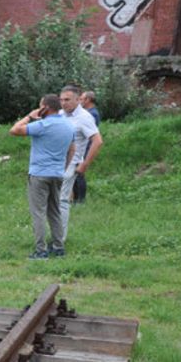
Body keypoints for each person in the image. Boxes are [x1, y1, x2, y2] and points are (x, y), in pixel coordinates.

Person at [10, 94, 75, 260]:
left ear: (45, 107)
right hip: (57, 174)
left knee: (38, 212)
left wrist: (29, 117)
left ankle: (41, 250)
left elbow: (14, 130)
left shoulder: (42, 125)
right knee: (55, 211)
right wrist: (63, 168)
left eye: (40, 106)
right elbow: (72, 150)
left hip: (39, 174)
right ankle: (58, 247)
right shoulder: (68, 126)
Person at [58, 85, 103, 243]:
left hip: (72, 163)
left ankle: (59, 241)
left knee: (61, 200)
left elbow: (97, 141)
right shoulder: (60, 114)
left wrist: (84, 164)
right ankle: (53, 234)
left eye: (67, 100)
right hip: (55, 162)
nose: (64, 103)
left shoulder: (84, 117)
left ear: (78, 100)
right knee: (51, 200)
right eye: (61, 100)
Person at [72, 90, 101, 204]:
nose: (79, 102)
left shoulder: (91, 114)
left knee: (79, 173)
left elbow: (91, 134)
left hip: (85, 147)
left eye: (81, 99)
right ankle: (75, 198)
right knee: (75, 173)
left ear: (88, 100)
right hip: (82, 147)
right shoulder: (88, 113)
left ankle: (80, 200)